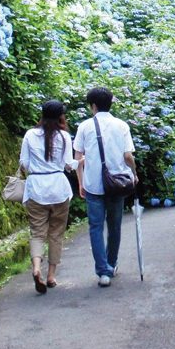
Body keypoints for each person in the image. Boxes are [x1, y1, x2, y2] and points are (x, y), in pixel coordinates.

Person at [74, 87, 138, 287]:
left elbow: (78, 158)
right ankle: (112, 264)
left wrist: (80, 182)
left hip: (93, 184)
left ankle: (103, 271)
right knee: (115, 225)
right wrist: (134, 173)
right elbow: (128, 156)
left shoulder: (85, 126)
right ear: (110, 103)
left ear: (93, 106)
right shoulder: (121, 125)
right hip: (117, 183)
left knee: (95, 227)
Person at [19, 100, 78, 294]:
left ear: (42, 114)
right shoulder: (64, 136)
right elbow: (69, 165)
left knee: (37, 233)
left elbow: (24, 164)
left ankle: (37, 268)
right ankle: (51, 275)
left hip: (36, 188)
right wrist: (81, 162)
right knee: (56, 233)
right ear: (61, 115)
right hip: (58, 189)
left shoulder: (30, 134)